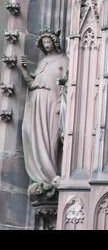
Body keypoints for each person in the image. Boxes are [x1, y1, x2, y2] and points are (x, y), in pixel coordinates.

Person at [17, 29, 69, 185]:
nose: (46, 45)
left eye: (48, 42)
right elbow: (32, 83)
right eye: (44, 43)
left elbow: (68, 82)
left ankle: (52, 171)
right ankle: (44, 174)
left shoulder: (63, 60)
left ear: (54, 42)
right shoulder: (41, 63)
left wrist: (62, 101)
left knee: (51, 137)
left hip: (52, 101)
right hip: (37, 102)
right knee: (35, 135)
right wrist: (24, 70)